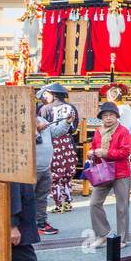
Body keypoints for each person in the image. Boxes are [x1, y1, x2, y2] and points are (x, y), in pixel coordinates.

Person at [87, 101, 131, 250]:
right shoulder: (98, 131)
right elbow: (93, 146)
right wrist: (91, 151)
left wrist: (106, 153)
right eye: (105, 115)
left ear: (116, 116)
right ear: (101, 117)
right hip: (103, 171)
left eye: (111, 115)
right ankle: (103, 234)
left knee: (122, 206)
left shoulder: (123, 131)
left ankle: (123, 238)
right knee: (94, 203)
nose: (108, 118)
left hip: (121, 172)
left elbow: (126, 152)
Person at [42, 84, 79, 213]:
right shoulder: (72, 108)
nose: (45, 97)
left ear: (54, 95)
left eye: (47, 94)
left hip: (52, 143)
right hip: (67, 142)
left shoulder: (45, 109)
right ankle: (68, 202)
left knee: (55, 174)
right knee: (68, 173)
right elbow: (74, 129)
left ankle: (58, 204)